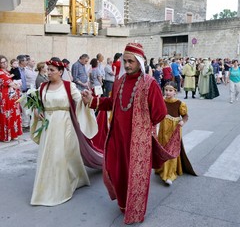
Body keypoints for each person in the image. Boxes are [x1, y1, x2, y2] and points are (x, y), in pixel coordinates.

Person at [82, 43, 168, 224]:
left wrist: (143, 125)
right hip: (117, 136)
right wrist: (92, 101)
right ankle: (123, 203)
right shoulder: (119, 81)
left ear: (139, 62)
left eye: (131, 61)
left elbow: (160, 113)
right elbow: (112, 103)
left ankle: (134, 209)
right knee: (115, 169)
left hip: (138, 140)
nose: (127, 65)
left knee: (135, 175)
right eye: (125, 61)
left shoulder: (149, 84)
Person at [30, 58, 100, 206]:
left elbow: (79, 101)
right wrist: (37, 110)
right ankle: (47, 186)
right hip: (48, 127)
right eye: (47, 70)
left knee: (61, 155)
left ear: (60, 72)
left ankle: (66, 184)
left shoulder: (69, 86)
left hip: (65, 125)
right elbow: (37, 104)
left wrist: (87, 99)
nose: (48, 73)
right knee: (48, 156)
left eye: (52, 70)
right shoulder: (43, 87)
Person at [155, 81, 196, 185]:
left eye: (170, 90)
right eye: (166, 90)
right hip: (163, 130)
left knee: (171, 150)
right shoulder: (162, 101)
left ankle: (169, 174)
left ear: (175, 92)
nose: (168, 92)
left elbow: (185, 116)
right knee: (163, 148)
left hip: (174, 131)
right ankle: (162, 169)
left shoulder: (179, 103)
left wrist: (183, 121)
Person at [0, 55, 22, 142]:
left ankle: (13, 134)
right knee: (7, 115)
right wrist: (17, 85)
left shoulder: (8, 71)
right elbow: (11, 84)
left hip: (13, 97)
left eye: (5, 61)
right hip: (6, 98)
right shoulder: (1, 73)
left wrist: (17, 85)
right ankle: (6, 136)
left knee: (13, 115)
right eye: (1, 62)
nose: (4, 64)